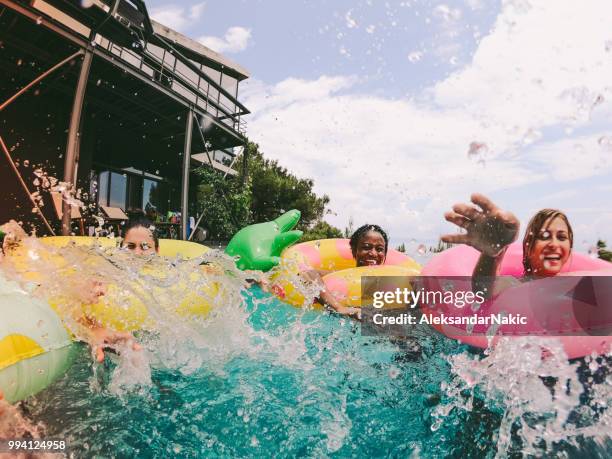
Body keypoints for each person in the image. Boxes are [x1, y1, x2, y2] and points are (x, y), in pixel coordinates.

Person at [441, 193, 573, 298]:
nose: (554, 244)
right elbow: (483, 290)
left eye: (562, 237)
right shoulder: (515, 285)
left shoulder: (575, 282)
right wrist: (491, 253)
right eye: (544, 236)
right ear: (529, 245)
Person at [303, 224, 390, 318]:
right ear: (354, 250)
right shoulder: (345, 277)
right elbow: (307, 274)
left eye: (379, 249)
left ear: (385, 254)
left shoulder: (392, 283)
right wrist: (339, 308)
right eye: (366, 247)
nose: (373, 253)